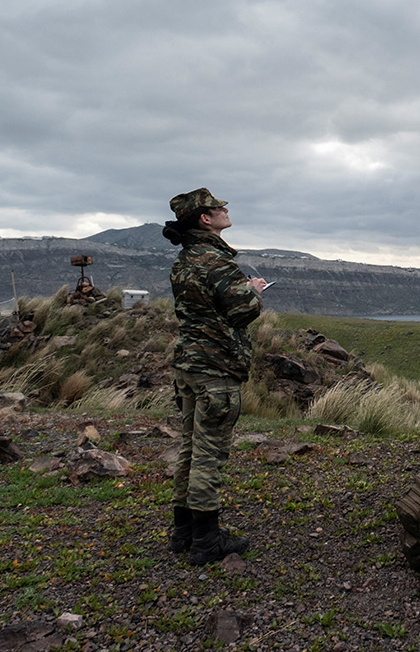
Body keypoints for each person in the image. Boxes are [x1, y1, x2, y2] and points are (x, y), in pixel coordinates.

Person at [161, 188, 266, 566]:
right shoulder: (216, 262)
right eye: (218, 207)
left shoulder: (184, 260)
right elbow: (241, 312)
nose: (225, 209)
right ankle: (206, 542)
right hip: (215, 370)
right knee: (209, 454)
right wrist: (254, 291)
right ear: (205, 219)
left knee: (190, 448)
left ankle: (183, 532)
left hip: (188, 366)